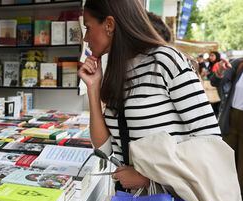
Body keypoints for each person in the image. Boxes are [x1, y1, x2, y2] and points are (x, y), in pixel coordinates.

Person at [79, 0, 220, 191]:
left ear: (109, 25)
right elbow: (105, 150)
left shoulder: (164, 61)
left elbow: (210, 141)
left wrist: (148, 179)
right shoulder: (119, 70)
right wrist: (93, 89)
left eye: (88, 27)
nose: (86, 38)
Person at [211, 57, 243, 197]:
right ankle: (224, 198)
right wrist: (219, 72)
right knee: (225, 160)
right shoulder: (238, 63)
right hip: (231, 118)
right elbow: (215, 82)